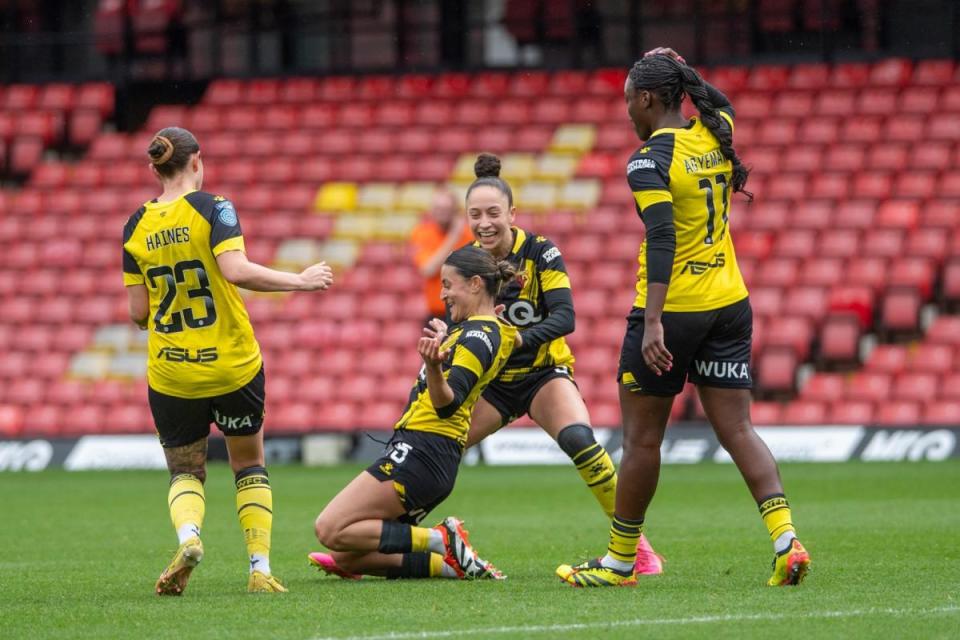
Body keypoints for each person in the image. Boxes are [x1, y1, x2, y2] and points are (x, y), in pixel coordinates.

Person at [557, 48, 810, 587]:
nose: (626, 110)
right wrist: (684, 67)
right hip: (730, 305)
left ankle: (621, 562)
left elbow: (663, 236)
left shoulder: (649, 160)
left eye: (629, 99)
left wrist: (651, 323)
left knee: (643, 440)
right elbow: (720, 101)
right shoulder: (715, 132)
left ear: (647, 99)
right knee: (738, 428)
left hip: (674, 313)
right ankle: (786, 540)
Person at [122, 127, 334, 595]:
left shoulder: (134, 225)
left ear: (154, 169)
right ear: (197, 160)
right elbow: (235, 270)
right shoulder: (215, 207)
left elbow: (138, 313)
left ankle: (190, 537)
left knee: (185, 470)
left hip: (172, 370)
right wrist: (299, 281)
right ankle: (259, 567)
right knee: (249, 464)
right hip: (232, 363)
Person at [430, 153, 663, 575]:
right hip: (493, 382)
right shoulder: (465, 262)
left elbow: (564, 317)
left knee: (579, 440)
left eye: (493, 213)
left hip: (542, 374)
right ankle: (387, 541)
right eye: (475, 214)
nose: (484, 223)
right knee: (435, 447)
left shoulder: (541, 252)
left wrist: (518, 337)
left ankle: (636, 548)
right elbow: (456, 319)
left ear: (512, 214)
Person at [308, 245, 518, 580]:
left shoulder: (479, 336)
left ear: (476, 284)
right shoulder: (477, 331)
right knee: (346, 555)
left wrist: (434, 366)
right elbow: (508, 339)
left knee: (331, 528)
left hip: (424, 450)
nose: (443, 294)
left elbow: (448, 404)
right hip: (429, 453)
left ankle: (440, 539)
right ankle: (451, 566)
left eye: (448, 284)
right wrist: (446, 346)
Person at [409, 186, 474, 324]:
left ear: (455, 211)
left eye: (446, 209)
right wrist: (453, 237)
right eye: (438, 209)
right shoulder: (422, 233)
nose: (441, 213)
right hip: (437, 313)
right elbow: (428, 269)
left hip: (466, 312)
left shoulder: (470, 235)